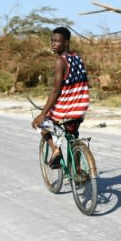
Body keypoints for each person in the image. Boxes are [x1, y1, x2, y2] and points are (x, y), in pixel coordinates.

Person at [31, 26, 90, 168]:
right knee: (73, 135)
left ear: (66, 43)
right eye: (52, 41)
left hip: (66, 108)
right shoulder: (77, 58)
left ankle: (56, 150)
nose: (53, 44)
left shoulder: (61, 61)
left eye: (57, 41)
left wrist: (43, 113)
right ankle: (78, 169)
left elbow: (56, 90)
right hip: (81, 107)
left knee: (39, 123)